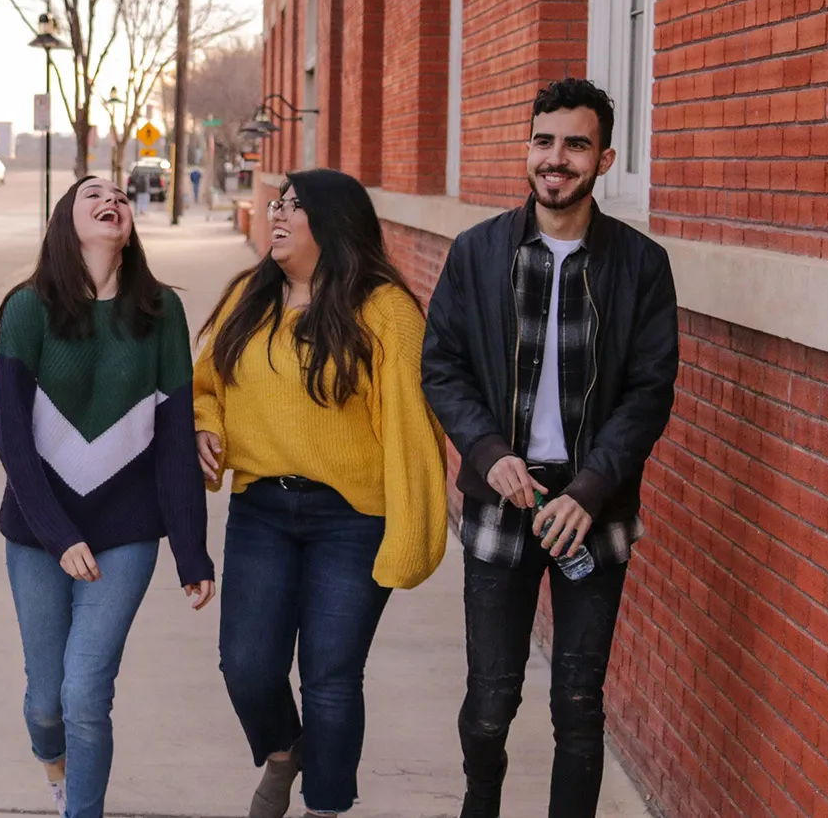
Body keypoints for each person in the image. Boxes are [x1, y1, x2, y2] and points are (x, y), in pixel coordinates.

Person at [420, 78, 678, 818]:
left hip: (592, 507)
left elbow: (649, 391)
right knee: (491, 699)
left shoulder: (640, 265)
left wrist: (591, 488)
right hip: (503, 498)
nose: (555, 158)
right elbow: (442, 364)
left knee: (577, 700)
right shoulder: (476, 254)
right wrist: (485, 448)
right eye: (544, 141)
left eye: (575, 144)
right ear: (526, 148)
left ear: (604, 158)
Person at [194, 168, 448, 818]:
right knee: (246, 665)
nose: (277, 213)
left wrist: (412, 536)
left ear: (333, 223)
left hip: (354, 518)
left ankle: (325, 806)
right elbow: (206, 385)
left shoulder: (384, 309)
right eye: (276, 203)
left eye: (295, 206)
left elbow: (412, 429)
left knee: (331, 678)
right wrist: (206, 429)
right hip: (260, 510)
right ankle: (284, 751)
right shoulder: (249, 297)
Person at [0, 176, 217, 818]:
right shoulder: (28, 307)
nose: (111, 199)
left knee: (86, 692)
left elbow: (176, 440)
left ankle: (81, 811)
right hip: (40, 534)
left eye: (120, 194)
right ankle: (57, 770)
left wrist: (192, 553)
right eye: (92, 193)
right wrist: (60, 537)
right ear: (66, 220)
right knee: (46, 701)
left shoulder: (160, 311)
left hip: (125, 533)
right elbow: (13, 441)